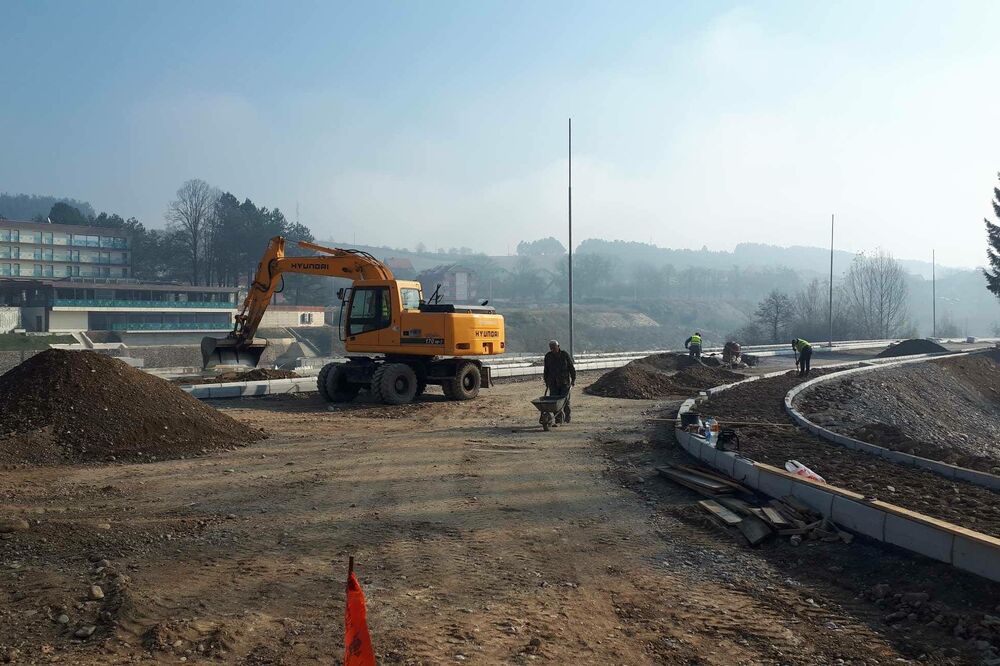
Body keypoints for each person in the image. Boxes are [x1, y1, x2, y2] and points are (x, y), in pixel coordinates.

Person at [543, 339, 576, 424]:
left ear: (558, 346)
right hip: (553, 383)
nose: (553, 350)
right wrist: (546, 381)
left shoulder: (564, 355)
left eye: (554, 348)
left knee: (565, 401)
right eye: (551, 348)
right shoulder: (548, 356)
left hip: (564, 382)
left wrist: (573, 379)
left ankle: (567, 417)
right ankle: (558, 419)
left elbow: (571, 368)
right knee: (554, 402)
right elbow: (546, 370)